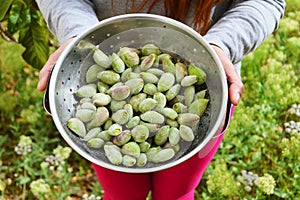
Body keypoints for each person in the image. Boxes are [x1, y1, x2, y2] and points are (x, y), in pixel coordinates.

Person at [35, 1, 286, 199]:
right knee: (122, 193)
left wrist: (221, 46)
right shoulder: (110, 107)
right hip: (103, 55)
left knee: (176, 193)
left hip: (211, 83)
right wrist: (78, 33)